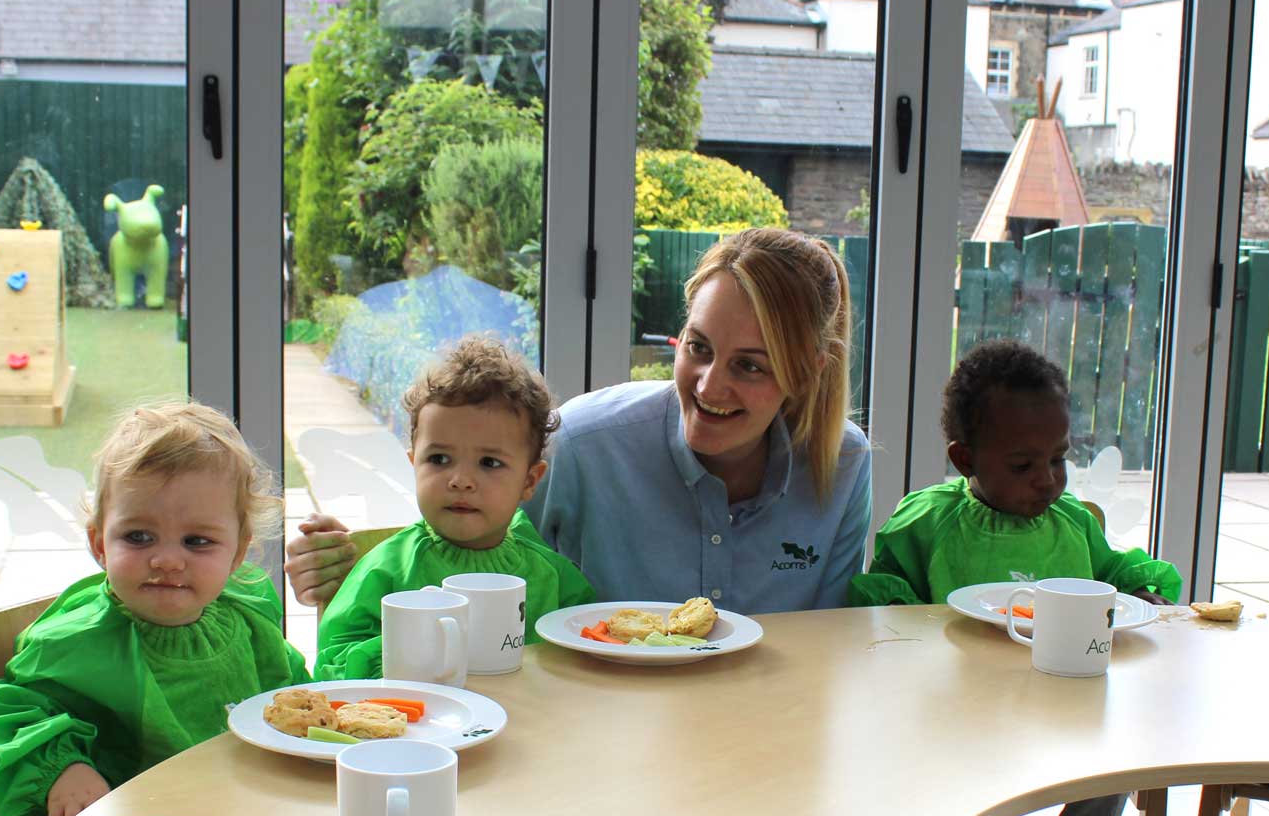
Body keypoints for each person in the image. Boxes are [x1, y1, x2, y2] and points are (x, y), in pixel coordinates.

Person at [287, 227, 872, 615]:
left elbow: (826, 647)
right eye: (697, 347)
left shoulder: (844, 466)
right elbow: (472, 545)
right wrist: (351, 564)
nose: (709, 384)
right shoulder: (584, 443)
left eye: (749, 366)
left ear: (807, 371)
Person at [850, 340, 1181, 816]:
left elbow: (1114, 573)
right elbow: (878, 596)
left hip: (1058, 700)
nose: (1049, 479)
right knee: (929, 774)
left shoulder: (1073, 525)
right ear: (966, 460)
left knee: (1122, 747)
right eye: (1025, 463)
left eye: (1059, 459)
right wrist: (894, 609)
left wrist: (1143, 586)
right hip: (958, 710)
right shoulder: (930, 522)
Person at [0, 401, 308, 816]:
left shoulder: (248, 618)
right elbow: (7, 717)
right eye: (139, 536)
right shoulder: (73, 640)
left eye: (197, 541)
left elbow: (291, 695)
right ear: (99, 544)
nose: (167, 560)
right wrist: (62, 769)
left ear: (238, 552)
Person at [314, 338, 594, 679]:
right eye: (439, 459)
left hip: (533, 727)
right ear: (413, 463)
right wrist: (406, 647)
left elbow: (586, 650)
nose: (461, 480)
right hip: (419, 724)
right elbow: (334, 662)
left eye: (489, 463)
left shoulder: (553, 575)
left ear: (530, 481)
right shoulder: (386, 570)